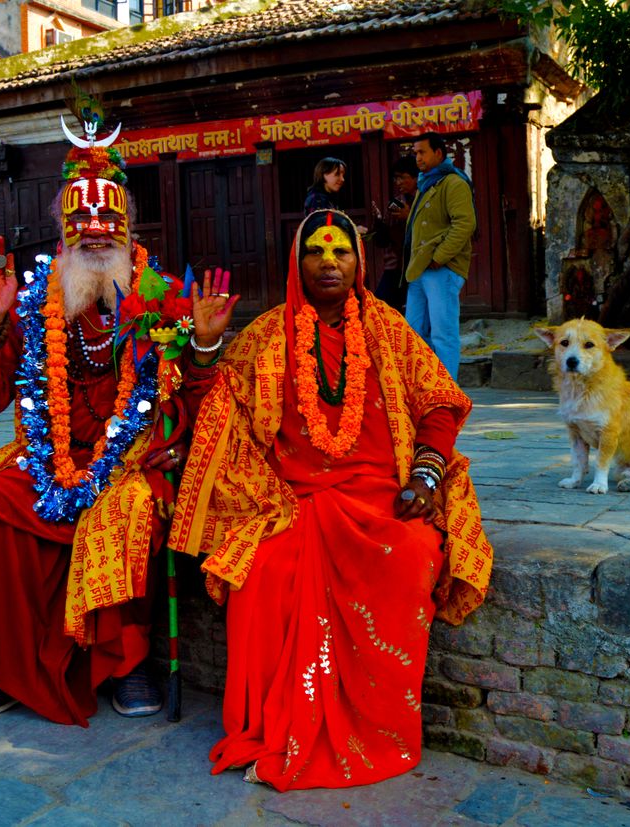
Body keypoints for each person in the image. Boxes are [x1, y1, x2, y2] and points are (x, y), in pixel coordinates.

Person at [0, 121, 239, 727]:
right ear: (61, 236)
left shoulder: (164, 297)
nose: (95, 235)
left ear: (129, 230)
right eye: (80, 225)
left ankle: (130, 661)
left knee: (132, 507)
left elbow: (194, 402)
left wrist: (202, 347)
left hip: (132, 457)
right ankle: (12, 668)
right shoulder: (34, 302)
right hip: (48, 454)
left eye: (107, 224)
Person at [168, 208, 493, 790]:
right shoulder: (267, 333)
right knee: (261, 568)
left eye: (340, 251)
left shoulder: (389, 327)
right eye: (315, 251)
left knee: (414, 555)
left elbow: (439, 403)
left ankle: (379, 729)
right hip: (289, 500)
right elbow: (211, 413)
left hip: (379, 499)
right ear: (297, 262)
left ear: (358, 262)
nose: (328, 262)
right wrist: (206, 347)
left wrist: (426, 474)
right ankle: (277, 728)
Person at [404, 132, 476, 380]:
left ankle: (448, 395)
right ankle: (425, 388)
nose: (418, 158)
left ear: (438, 153)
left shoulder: (453, 182)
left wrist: (440, 257)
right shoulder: (427, 182)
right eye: (415, 153)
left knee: (443, 334)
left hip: (441, 269)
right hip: (419, 269)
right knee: (413, 333)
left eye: (422, 152)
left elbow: (465, 224)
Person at [371, 155, 418, 312]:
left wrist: (409, 216)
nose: (398, 183)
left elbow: (431, 230)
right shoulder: (395, 203)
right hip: (394, 267)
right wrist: (378, 223)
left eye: (402, 178)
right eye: (395, 179)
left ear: (416, 178)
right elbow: (383, 241)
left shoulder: (425, 200)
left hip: (417, 266)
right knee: (379, 309)